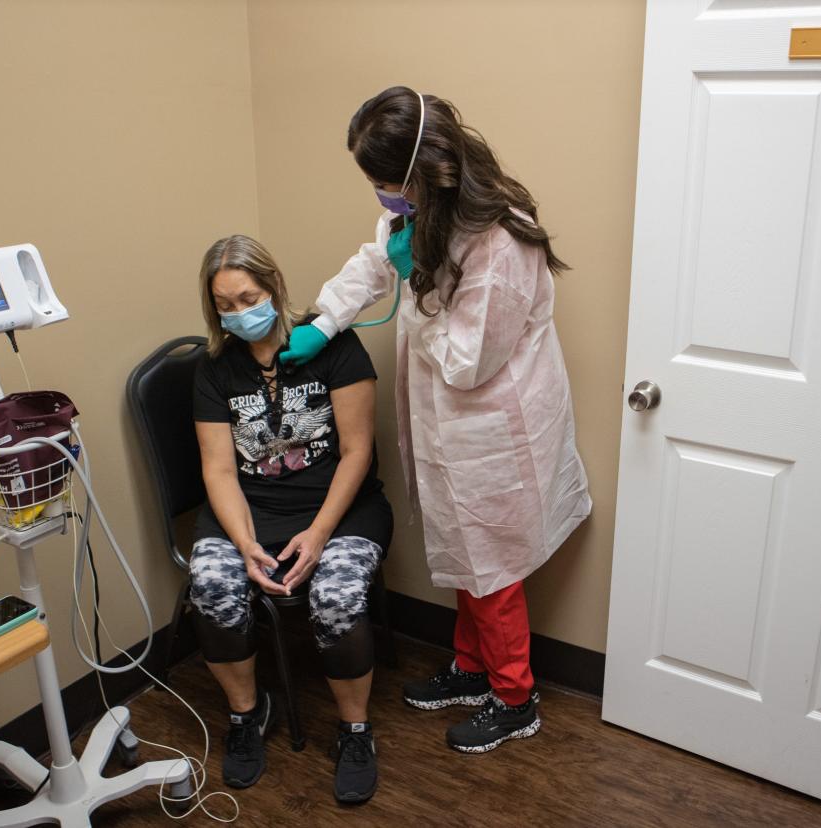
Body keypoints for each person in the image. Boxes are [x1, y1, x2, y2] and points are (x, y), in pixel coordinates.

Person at [280, 87, 592, 754]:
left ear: (426, 169)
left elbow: (467, 363)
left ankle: (514, 697)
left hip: (493, 430)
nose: (382, 197)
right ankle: (473, 669)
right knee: (463, 551)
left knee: (493, 564)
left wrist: (416, 282)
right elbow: (373, 265)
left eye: (387, 182)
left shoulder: (500, 241)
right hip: (447, 425)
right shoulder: (420, 211)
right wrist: (324, 320)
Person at [190, 235, 393, 802]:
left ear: (274, 288)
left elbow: (357, 452)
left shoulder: (334, 345)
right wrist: (245, 541)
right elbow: (220, 471)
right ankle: (247, 715)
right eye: (225, 306)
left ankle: (355, 730)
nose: (239, 313)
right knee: (210, 585)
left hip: (341, 508)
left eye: (248, 298)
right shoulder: (214, 370)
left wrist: (320, 532)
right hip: (250, 511)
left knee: (337, 593)